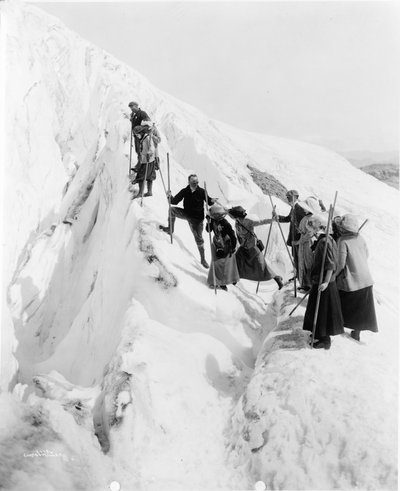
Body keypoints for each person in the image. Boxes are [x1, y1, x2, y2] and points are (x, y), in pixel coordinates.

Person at [302, 214, 344, 349]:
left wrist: (326, 282)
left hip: (324, 282)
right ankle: (318, 334)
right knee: (317, 309)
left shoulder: (325, 241)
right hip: (319, 280)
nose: (312, 230)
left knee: (323, 311)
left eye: (313, 227)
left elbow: (330, 264)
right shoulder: (323, 240)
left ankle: (325, 340)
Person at [335, 214, 378, 341]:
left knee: (341, 301)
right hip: (365, 278)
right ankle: (356, 332)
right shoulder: (361, 238)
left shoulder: (342, 241)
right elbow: (366, 254)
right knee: (360, 308)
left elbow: (341, 264)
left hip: (352, 280)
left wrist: (335, 275)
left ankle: (338, 326)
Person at [159, 174, 214, 268]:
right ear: (189, 182)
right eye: (193, 182)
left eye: (196, 182)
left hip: (197, 220)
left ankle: (203, 259)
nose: (195, 184)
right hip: (187, 214)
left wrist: (212, 200)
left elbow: (209, 202)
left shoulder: (202, 192)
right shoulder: (185, 191)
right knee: (172, 210)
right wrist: (169, 196)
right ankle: (170, 229)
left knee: (199, 239)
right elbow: (174, 201)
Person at [273, 190, 326, 286]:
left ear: (296, 197)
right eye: (287, 197)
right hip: (295, 238)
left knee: (302, 259)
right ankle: (299, 276)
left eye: (290, 197)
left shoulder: (301, 208)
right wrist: (278, 218)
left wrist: (299, 238)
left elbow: (306, 225)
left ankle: (303, 280)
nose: (288, 199)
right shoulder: (294, 207)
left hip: (300, 239)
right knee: (296, 257)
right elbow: (288, 219)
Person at [228, 206, 283, 289]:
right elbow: (228, 212)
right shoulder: (237, 221)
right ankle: (234, 279)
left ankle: (277, 278)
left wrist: (273, 219)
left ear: (236, 216)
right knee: (236, 260)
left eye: (233, 215)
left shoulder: (247, 221)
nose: (231, 217)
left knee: (262, 266)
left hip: (252, 247)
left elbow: (261, 222)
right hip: (243, 247)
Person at [205, 204, 240, 291]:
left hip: (226, 245)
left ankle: (223, 283)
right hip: (216, 244)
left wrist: (233, 247)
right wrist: (208, 222)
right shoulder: (212, 220)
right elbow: (208, 230)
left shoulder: (225, 223)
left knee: (222, 264)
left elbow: (232, 236)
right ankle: (217, 281)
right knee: (216, 263)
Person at [130, 122, 161, 198]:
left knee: (141, 176)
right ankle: (149, 191)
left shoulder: (147, 138)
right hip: (146, 160)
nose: (137, 136)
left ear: (140, 132)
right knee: (149, 176)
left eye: (137, 134)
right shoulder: (143, 138)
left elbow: (152, 148)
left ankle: (141, 193)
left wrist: (149, 153)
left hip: (148, 160)